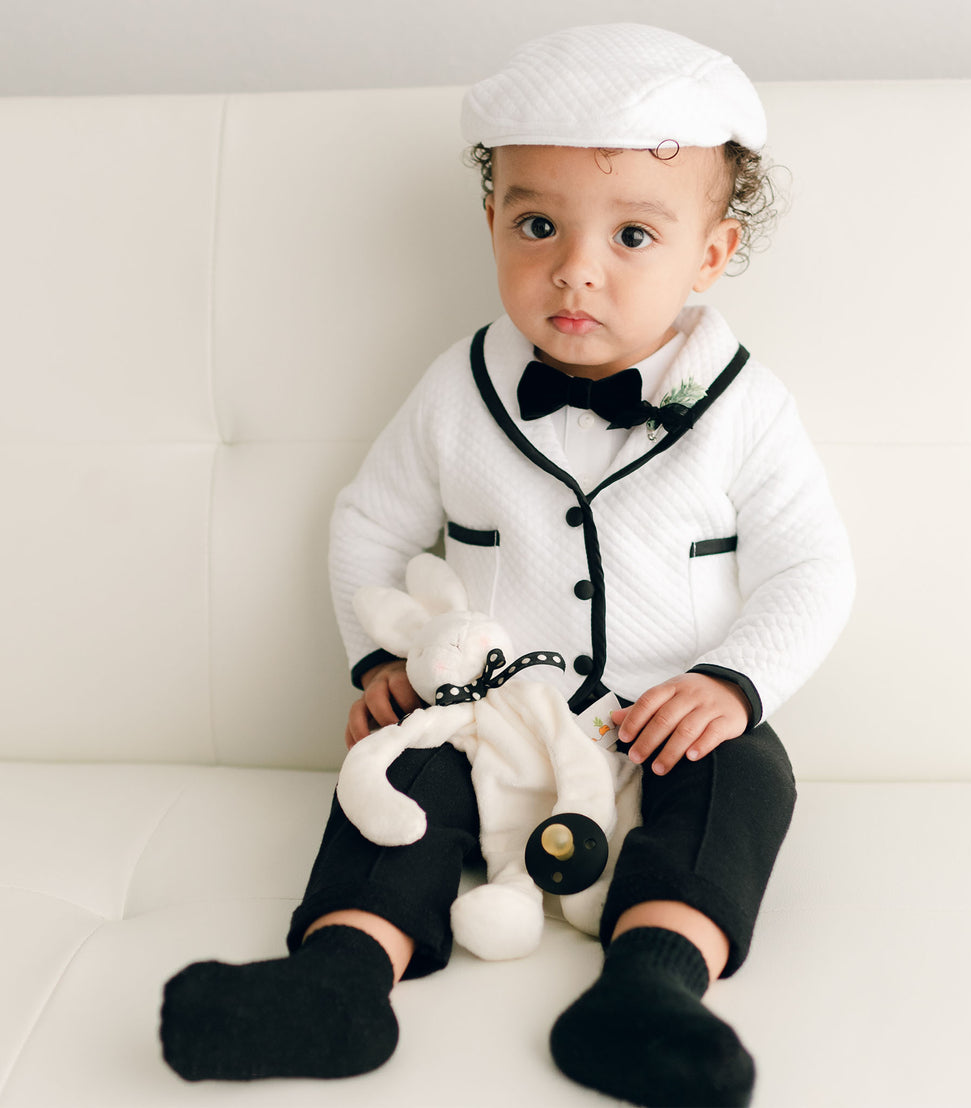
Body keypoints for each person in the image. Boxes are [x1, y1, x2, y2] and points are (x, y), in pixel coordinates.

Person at [160, 23, 854, 1108]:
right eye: (538, 224)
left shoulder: (743, 410)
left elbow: (810, 566)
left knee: (746, 769)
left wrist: (729, 683)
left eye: (633, 235)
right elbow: (366, 528)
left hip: (653, 731)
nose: (575, 268)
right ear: (492, 220)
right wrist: (374, 663)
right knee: (395, 772)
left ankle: (652, 983)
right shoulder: (454, 394)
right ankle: (342, 975)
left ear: (709, 255)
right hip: (487, 727)